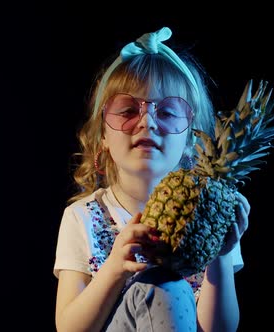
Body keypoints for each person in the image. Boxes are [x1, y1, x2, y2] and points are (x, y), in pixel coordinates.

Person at [53, 27, 250, 332]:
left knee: (169, 288)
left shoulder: (207, 219)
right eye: (128, 110)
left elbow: (219, 329)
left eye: (168, 112)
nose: (147, 121)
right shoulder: (83, 218)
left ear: (190, 139)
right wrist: (115, 269)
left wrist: (220, 258)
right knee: (159, 285)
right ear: (103, 134)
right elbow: (68, 327)